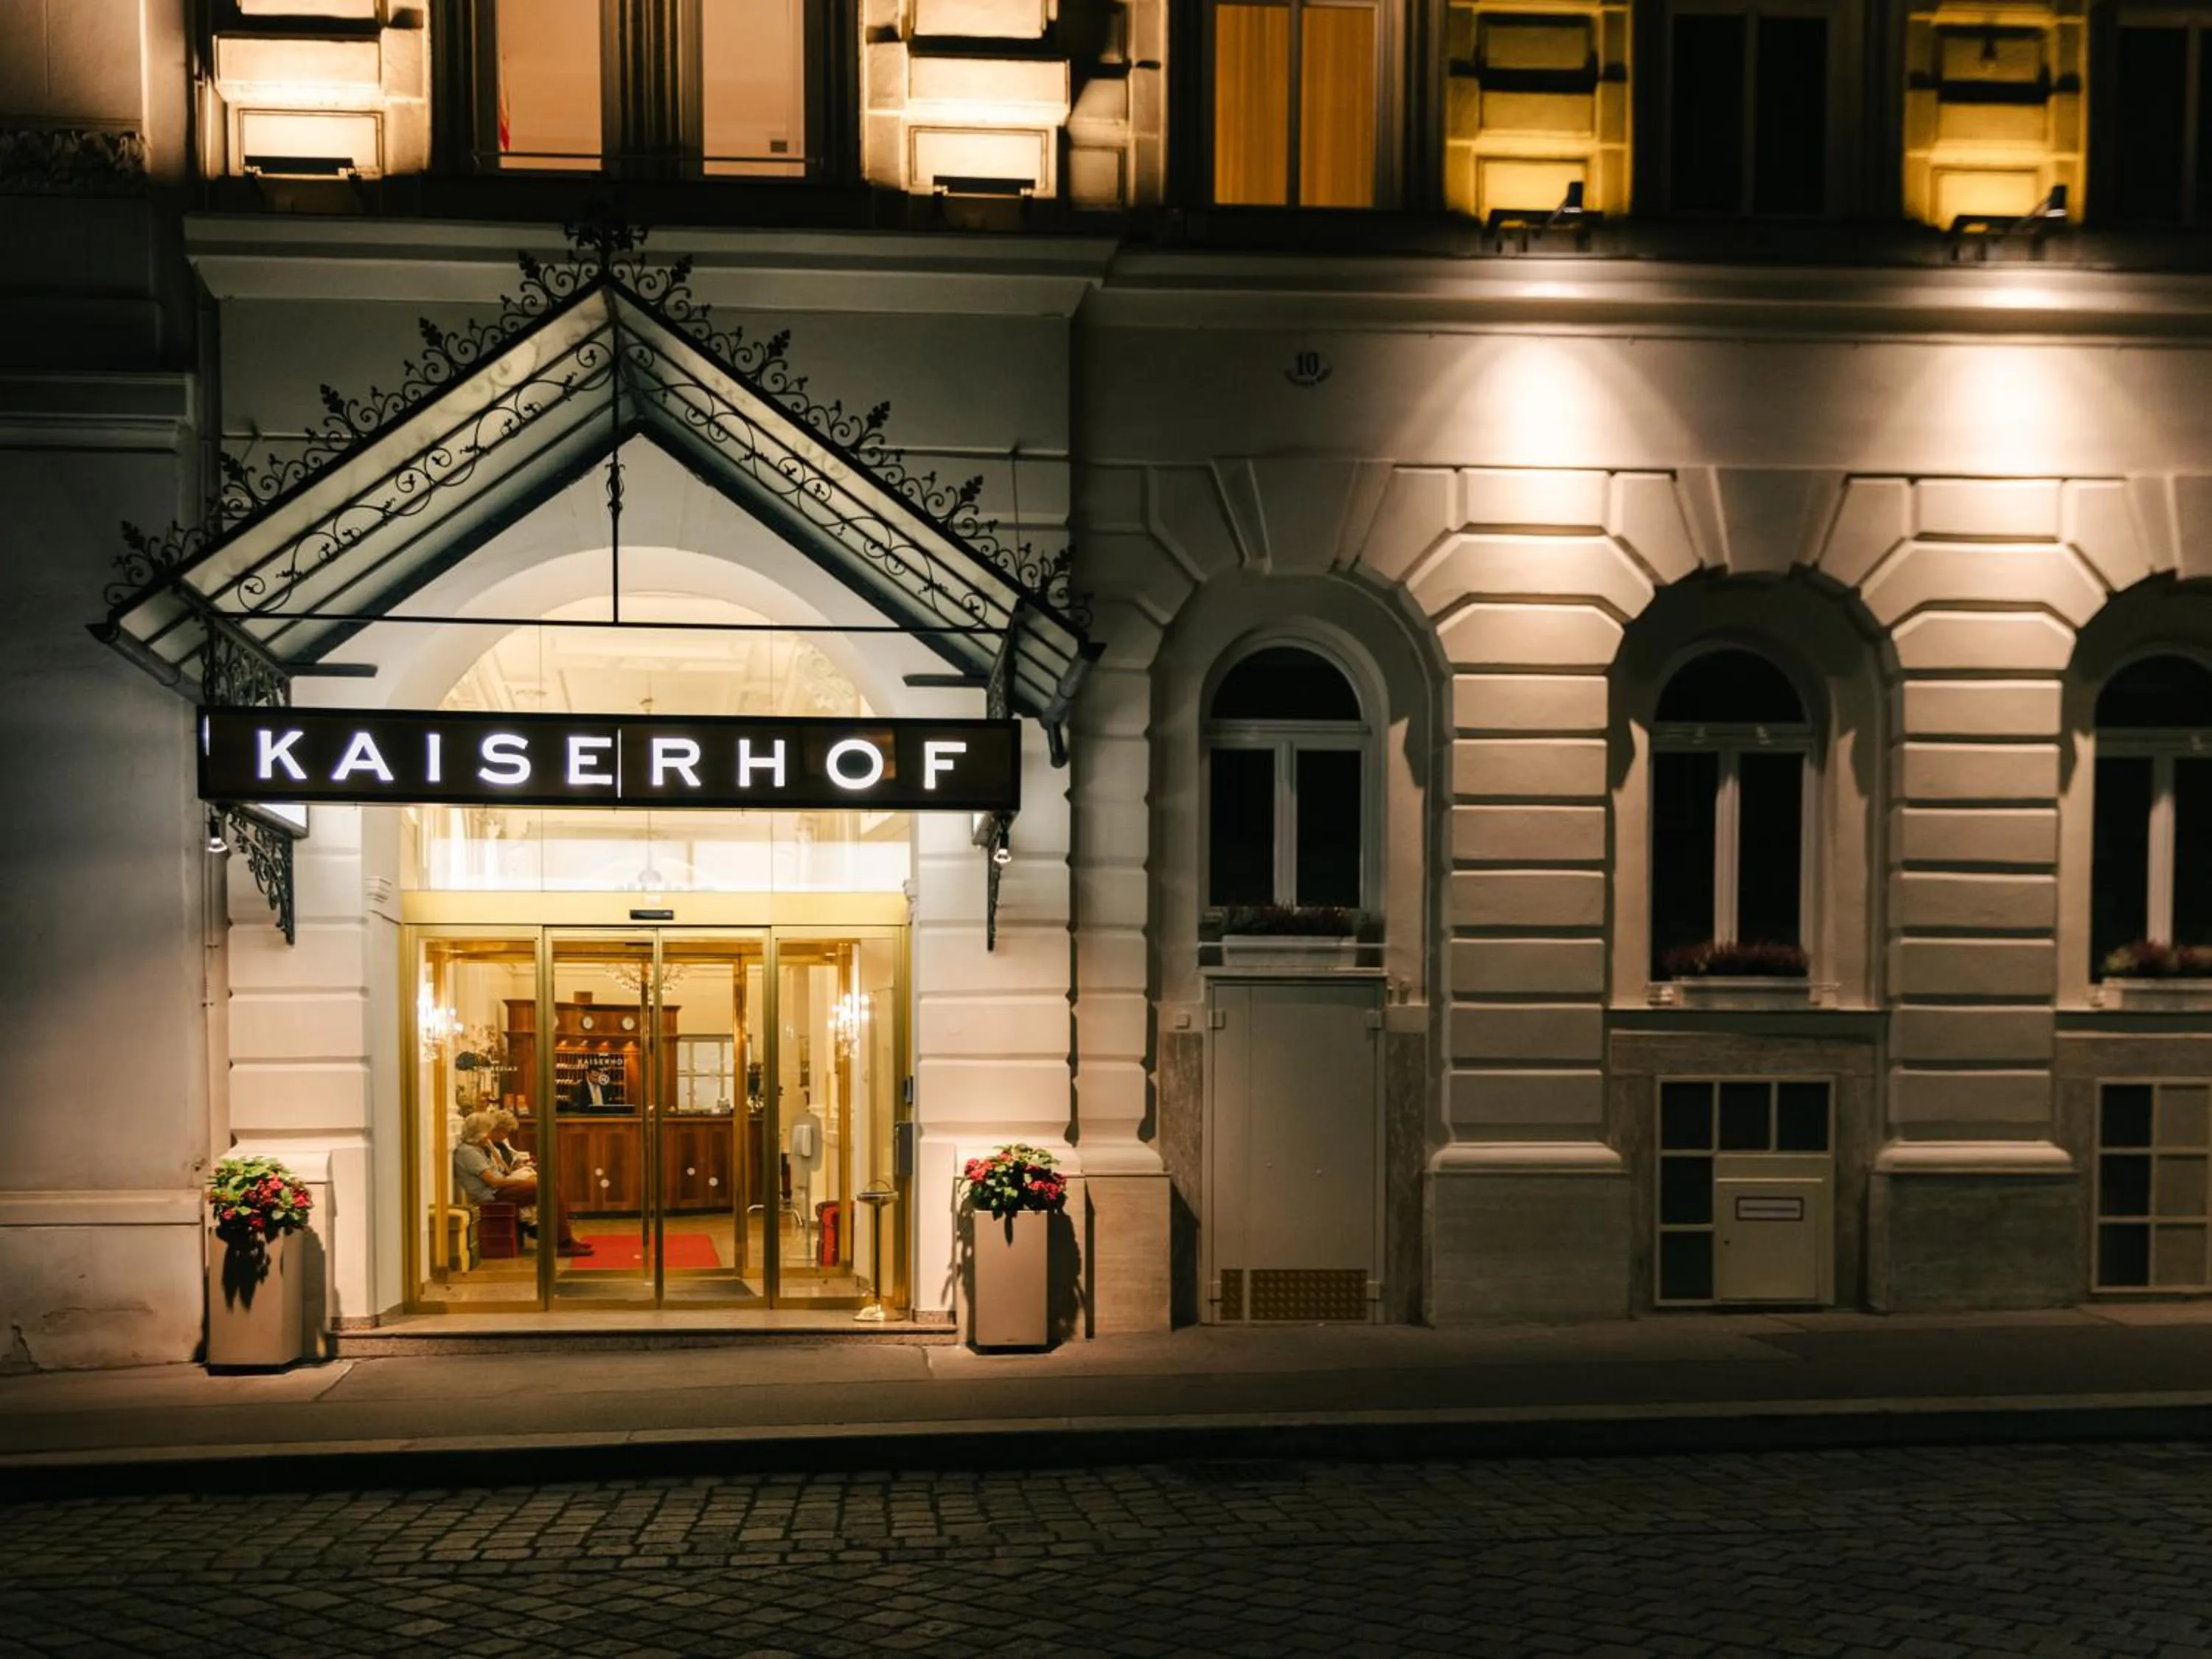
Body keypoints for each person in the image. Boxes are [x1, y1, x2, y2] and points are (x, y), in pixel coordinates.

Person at [453, 1111, 591, 1255]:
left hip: (496, 1191)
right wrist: (522, 1181)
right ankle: (564, 1242)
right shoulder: (468, 1153)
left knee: (547, 1187)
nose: (489, 1136)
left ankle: (562, 1239)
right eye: (488, 1131)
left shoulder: (476, 1149)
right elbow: (494, 1182)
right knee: (547, 1189)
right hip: (491, 1195)